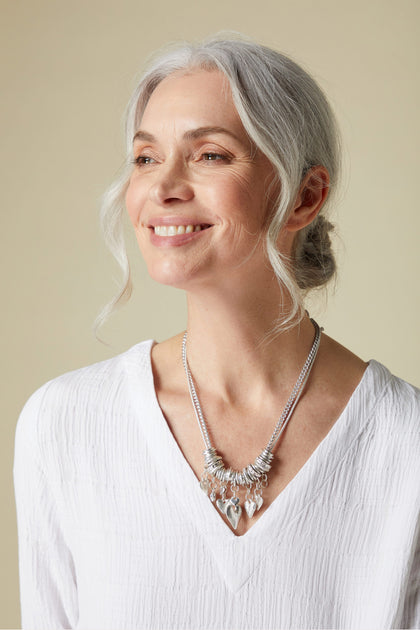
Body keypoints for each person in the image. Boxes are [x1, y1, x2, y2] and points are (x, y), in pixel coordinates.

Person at [14, 34, 420, 630]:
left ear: (305, 197)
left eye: (209, 155)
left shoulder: (405, 446)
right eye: (146, 157)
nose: (163, 187)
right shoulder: (65, 424)